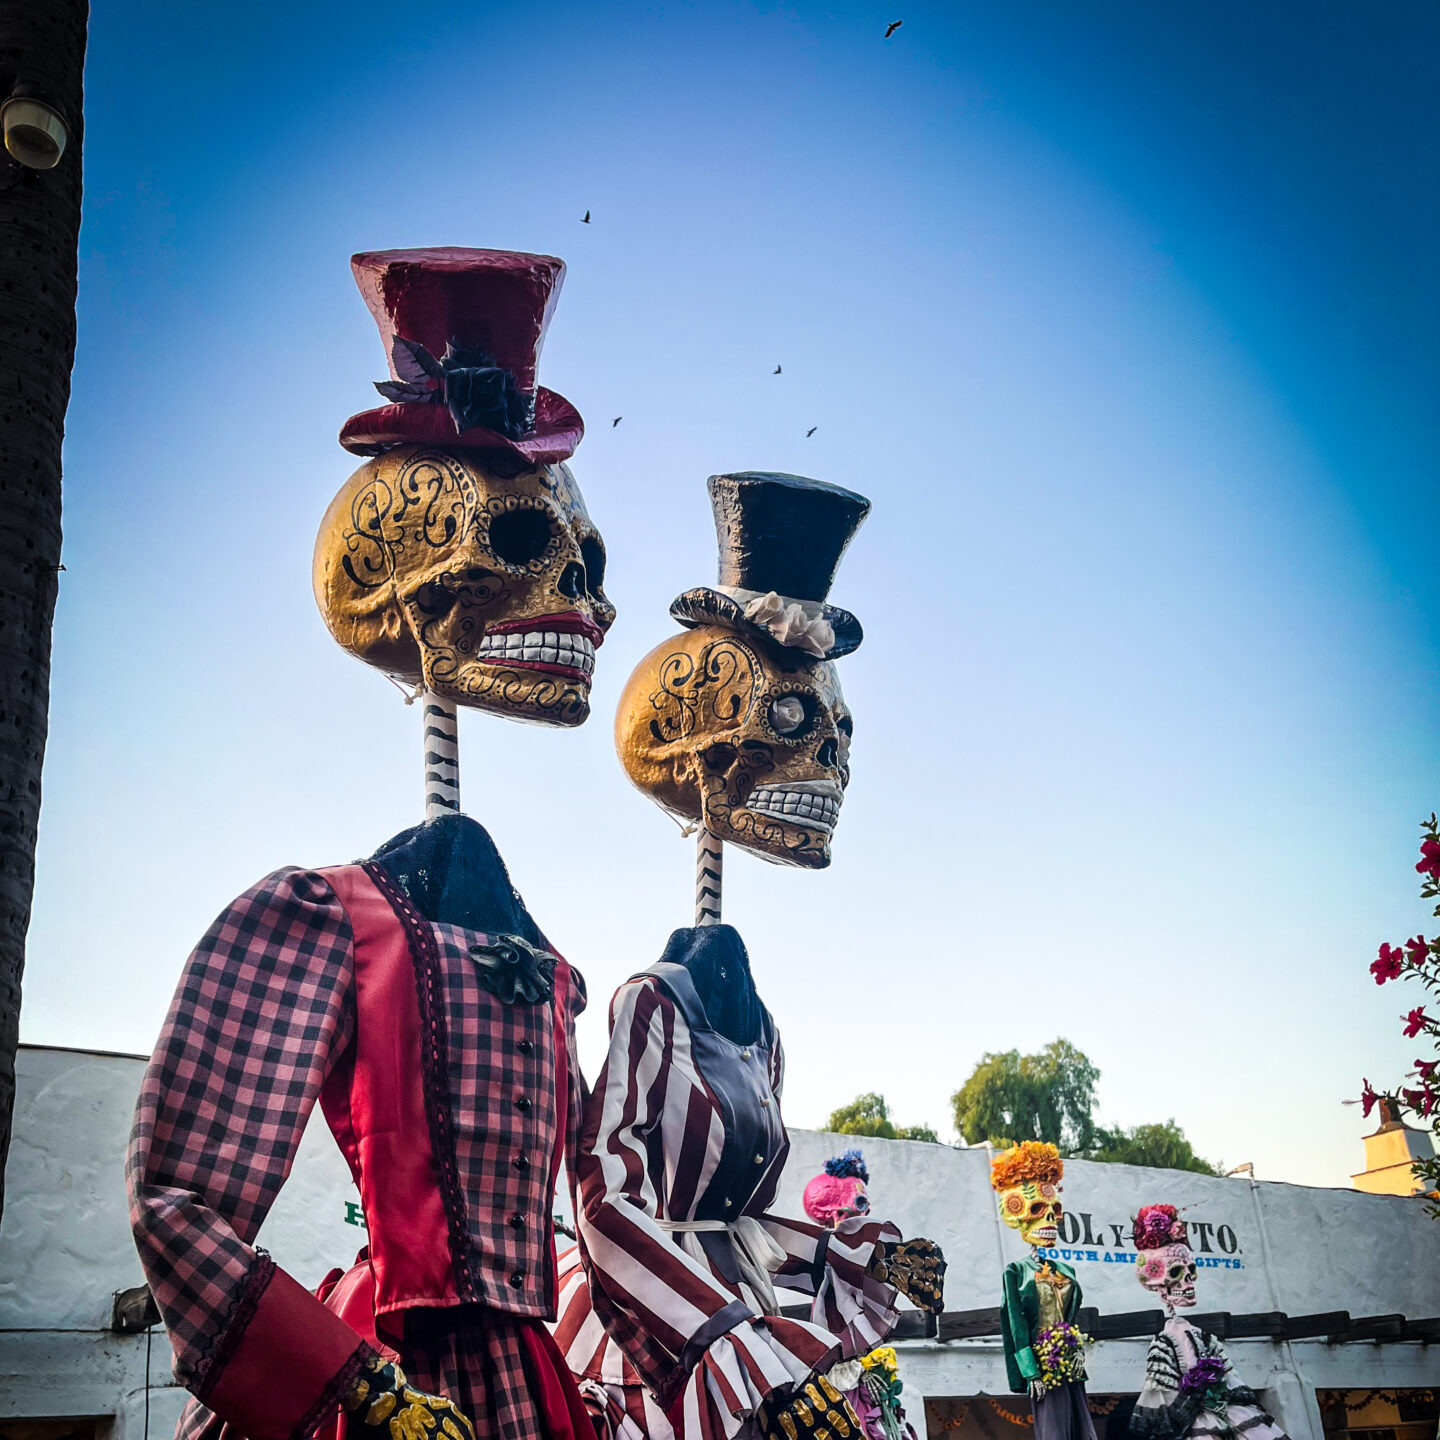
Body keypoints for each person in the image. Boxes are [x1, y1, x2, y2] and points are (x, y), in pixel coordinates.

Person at [1128, 1205, 1287, 1440]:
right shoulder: (1165, 1343)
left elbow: (1232, 1381)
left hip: (1228, 1417)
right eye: (1176, 1273)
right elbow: (1161, 1401)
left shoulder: (1204, 1337)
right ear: (1158, 1282)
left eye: (1191, 1271)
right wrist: (1194, 1390)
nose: (1189, 1281)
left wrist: (1212, 1384)